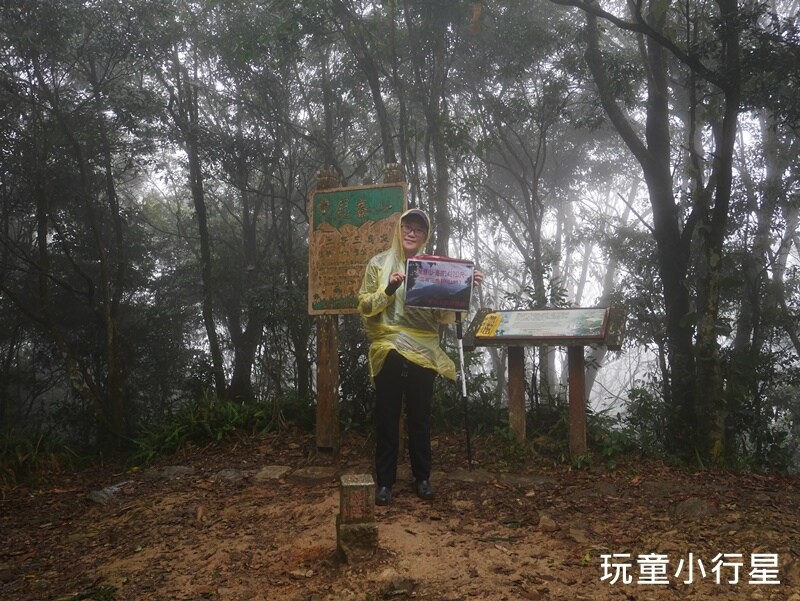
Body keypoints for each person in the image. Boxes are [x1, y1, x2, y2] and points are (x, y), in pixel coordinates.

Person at [358, 208, 482, 506]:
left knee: (420, 417)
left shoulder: (432, 267)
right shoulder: (378, 265)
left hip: (424, 352)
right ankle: (384, 482)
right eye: (408, 227)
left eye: (419, 230)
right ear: (399, 229)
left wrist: (464, 287)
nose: (412, 233)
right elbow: (365, 306)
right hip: (388, 348)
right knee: (387, 417)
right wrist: (389, 289)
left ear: (425, 236)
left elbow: (443, 314)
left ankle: (422, 478)